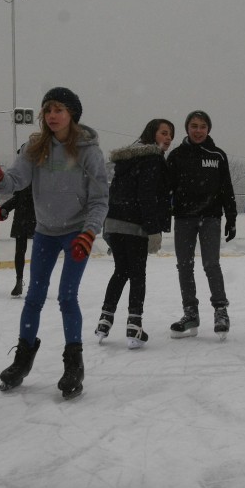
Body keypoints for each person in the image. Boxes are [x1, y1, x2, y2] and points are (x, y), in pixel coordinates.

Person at [0, 87, 108, 399]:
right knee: (34, 297)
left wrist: (89, 232)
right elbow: (15, 182)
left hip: (76, 234)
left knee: (67, 297)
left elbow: (100, 200)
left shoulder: (88, 151)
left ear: (72, 115)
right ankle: (23, 359)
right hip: (45, 231)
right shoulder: (35, 147)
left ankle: (74, 364)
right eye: (48, 110)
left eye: (59, 110)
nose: (52, 116)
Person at [95, 118, 173, 349]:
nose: (168, 138)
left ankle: (105, 320)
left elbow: (116, 191)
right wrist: (153, 229)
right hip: (135, 224)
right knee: (138, 273)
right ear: (152, 134)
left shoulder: (127, 159)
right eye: (164, 133)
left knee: (121, 271)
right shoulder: (152, 159)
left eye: (171, 134)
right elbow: (146, 195)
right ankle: (134, 324)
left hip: (114, 222)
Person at [166, 110, 237, 340]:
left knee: (210, 264)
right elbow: (166, 189)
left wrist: (232, 217)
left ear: (208, 129)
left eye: (203, 126)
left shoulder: (217, 156)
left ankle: (221, 311)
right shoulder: (176, 156)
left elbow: (226, 188)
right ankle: (190, 313)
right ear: (187, 128)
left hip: (210, 218)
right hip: (184, 218)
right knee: (184, 266)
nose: (198, 130)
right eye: (194, 126)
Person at [0, 184, 35, 297]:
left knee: (20, 252)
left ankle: (19, 279)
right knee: (39, 253)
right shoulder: (38, 186)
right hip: (36, 221)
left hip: (21, 222)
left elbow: (15, 200)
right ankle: (36, 283)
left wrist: (4, 208)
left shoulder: (21, 186)